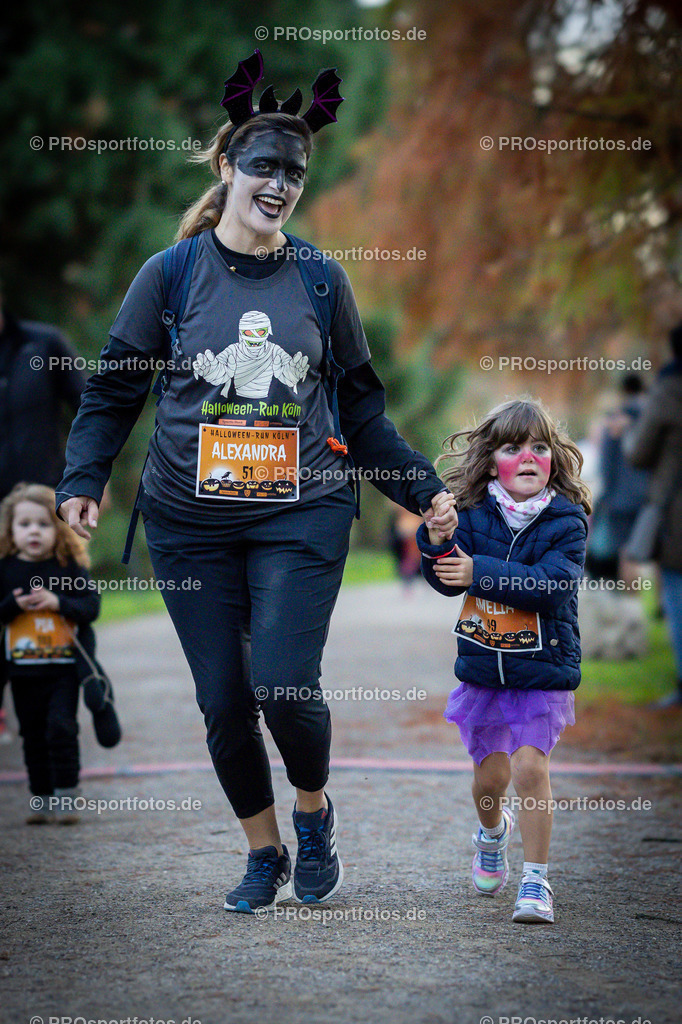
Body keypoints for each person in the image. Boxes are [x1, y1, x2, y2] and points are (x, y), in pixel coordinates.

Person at [54, 51, 457, 913]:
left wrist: (424, 491)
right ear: (229, 167)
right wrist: (82, 477)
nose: (280, 184)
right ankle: (263, 851)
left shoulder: (320, 280)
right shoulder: (168, 277)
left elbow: (365, 414)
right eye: (265, 167)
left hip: (301, 513)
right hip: (188, 522)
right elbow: (115, 388)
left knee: (280, 682)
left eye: (295, 173)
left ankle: (314, 816)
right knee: (224, 702)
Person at [417, 398, 589, 924]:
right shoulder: (473, 517)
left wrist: (479, 571)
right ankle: (492, 835)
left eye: (540, 447)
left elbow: (552, 587)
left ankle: (536, 882)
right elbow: (447, 579)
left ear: (553, 460)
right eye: (514, 448)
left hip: (542, 670)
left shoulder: (567, 521)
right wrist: (439, 542)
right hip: (485, 670)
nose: (529, 457)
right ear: (493, 463)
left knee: (530, 769)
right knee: (490, 780)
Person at [0, 483, 100, 824]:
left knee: (61, 727)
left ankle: (67, 796)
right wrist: (13, 604)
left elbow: (91, 607)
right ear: (11, 529)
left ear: (57, 530)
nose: (33, 531)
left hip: (63, 668)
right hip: (22, 671)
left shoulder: (68, 567)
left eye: (43, 524)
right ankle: (40, 799)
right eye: (24, 524)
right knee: (31, 734)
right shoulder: (5, 569)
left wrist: (59, 602)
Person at [624, 324, 682, 707]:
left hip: (676, 510)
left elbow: (639, 452)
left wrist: (628, 432)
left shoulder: (669, 389)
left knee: (677, 594)